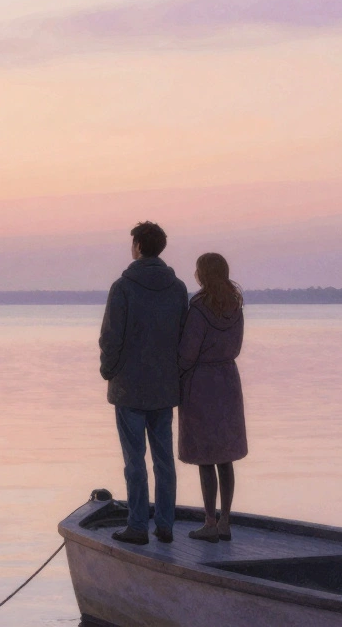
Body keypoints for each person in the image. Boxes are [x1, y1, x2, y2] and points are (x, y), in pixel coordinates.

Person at [99, 221, 189, 545]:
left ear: (137, 245)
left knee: (134, 461)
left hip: (129, 388)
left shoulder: (122, 288)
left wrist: (107, 371)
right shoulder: (178, 289)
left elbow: (111, 337)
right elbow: (183, 338)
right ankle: (165, 524)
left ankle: (138, 525)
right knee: (164, 460)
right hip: (164, 388)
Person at [177, 252, 248, 543]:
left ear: (202, 274)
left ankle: (209, 521)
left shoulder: (198, 308)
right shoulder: (236, 307)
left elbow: (187, 353)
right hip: (228, 380)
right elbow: (237, 346)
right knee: (225, 457)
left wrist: (176, 373)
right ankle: (226, 520)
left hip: (202, 383)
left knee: (206, 457)